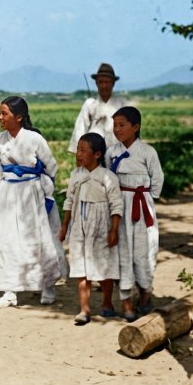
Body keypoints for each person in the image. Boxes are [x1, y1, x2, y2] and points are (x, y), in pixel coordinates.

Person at [0, 96, 67, 308]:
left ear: (19, 117)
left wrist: (42, 188)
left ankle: (47, 285)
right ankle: (10, 290)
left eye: (4, 114)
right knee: (8, 241)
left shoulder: (34, 139)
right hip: (8, 194)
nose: (0, 118)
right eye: (0, 113)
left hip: (32, 193)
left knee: (39, 239)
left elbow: (51, 166)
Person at [105, 106, 164, 321]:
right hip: (119, 207)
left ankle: (146, 292)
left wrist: (149, 196)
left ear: (136, 127)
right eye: (115, 125)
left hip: (141, 205)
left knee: (145, 251)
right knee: (122, 254)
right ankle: (126, 302)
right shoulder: (112, 152)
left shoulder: (148, 152)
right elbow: (108, 178)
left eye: (122, 125)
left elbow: (157, 178)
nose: (117, 130)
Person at [59, 133, 123, 325]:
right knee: (80, 265)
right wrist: (65, 226)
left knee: (103, 265)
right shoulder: (75, 175)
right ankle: (84, 309)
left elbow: (116, 205)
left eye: (83, 150)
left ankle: (107, 303)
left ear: (96, 154)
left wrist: (114, 230)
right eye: (77, 149)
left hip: (101, 224)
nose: (78, 154)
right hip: (79, 224)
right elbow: (69, 202)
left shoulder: (107, 177)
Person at [68, 63, 128, 153]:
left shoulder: (122, 104)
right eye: (101, 82)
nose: (104, 86)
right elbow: (80, 129)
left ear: (113, 83)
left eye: (107, 82)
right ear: (96, 84)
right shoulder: (90, 104)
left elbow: (130, 131)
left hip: (118, 152)